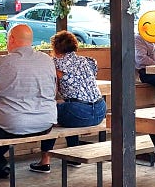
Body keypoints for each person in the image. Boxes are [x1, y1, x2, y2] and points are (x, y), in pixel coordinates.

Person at [0, 23, 57, 178]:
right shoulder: (46, 60)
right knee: (7, 124)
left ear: (11, 39)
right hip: (45, 124)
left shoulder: (1, 62)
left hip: (13, 125)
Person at [33, 30, 107, 173]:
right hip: (100, 110)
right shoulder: (87, 61)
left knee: (50, 113)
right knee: (69, 108)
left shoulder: (55, 63)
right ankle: (74, 156)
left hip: (80, 112)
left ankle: (45, 160)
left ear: (55, 48)